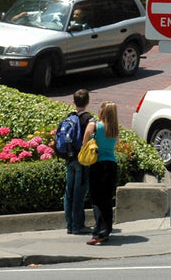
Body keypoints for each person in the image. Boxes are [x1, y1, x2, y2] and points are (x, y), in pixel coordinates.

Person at [84, 101, 119, 245]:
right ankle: (107, 229)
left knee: (97, 199)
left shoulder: (94, 126)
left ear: (102, 112)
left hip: (97, 165)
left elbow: (84, 143)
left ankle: (99, 231)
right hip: (111, 165)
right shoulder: (115, 130)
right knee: (107, 199)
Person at [64, 89, 93, 235]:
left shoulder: (69, 117)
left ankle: (69, 225)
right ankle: (78, 226)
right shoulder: (89, 119)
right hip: (82, 160)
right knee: (79, 193)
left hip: (69, 158)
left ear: (74, 102)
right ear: (88, 102)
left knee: (69, 192)